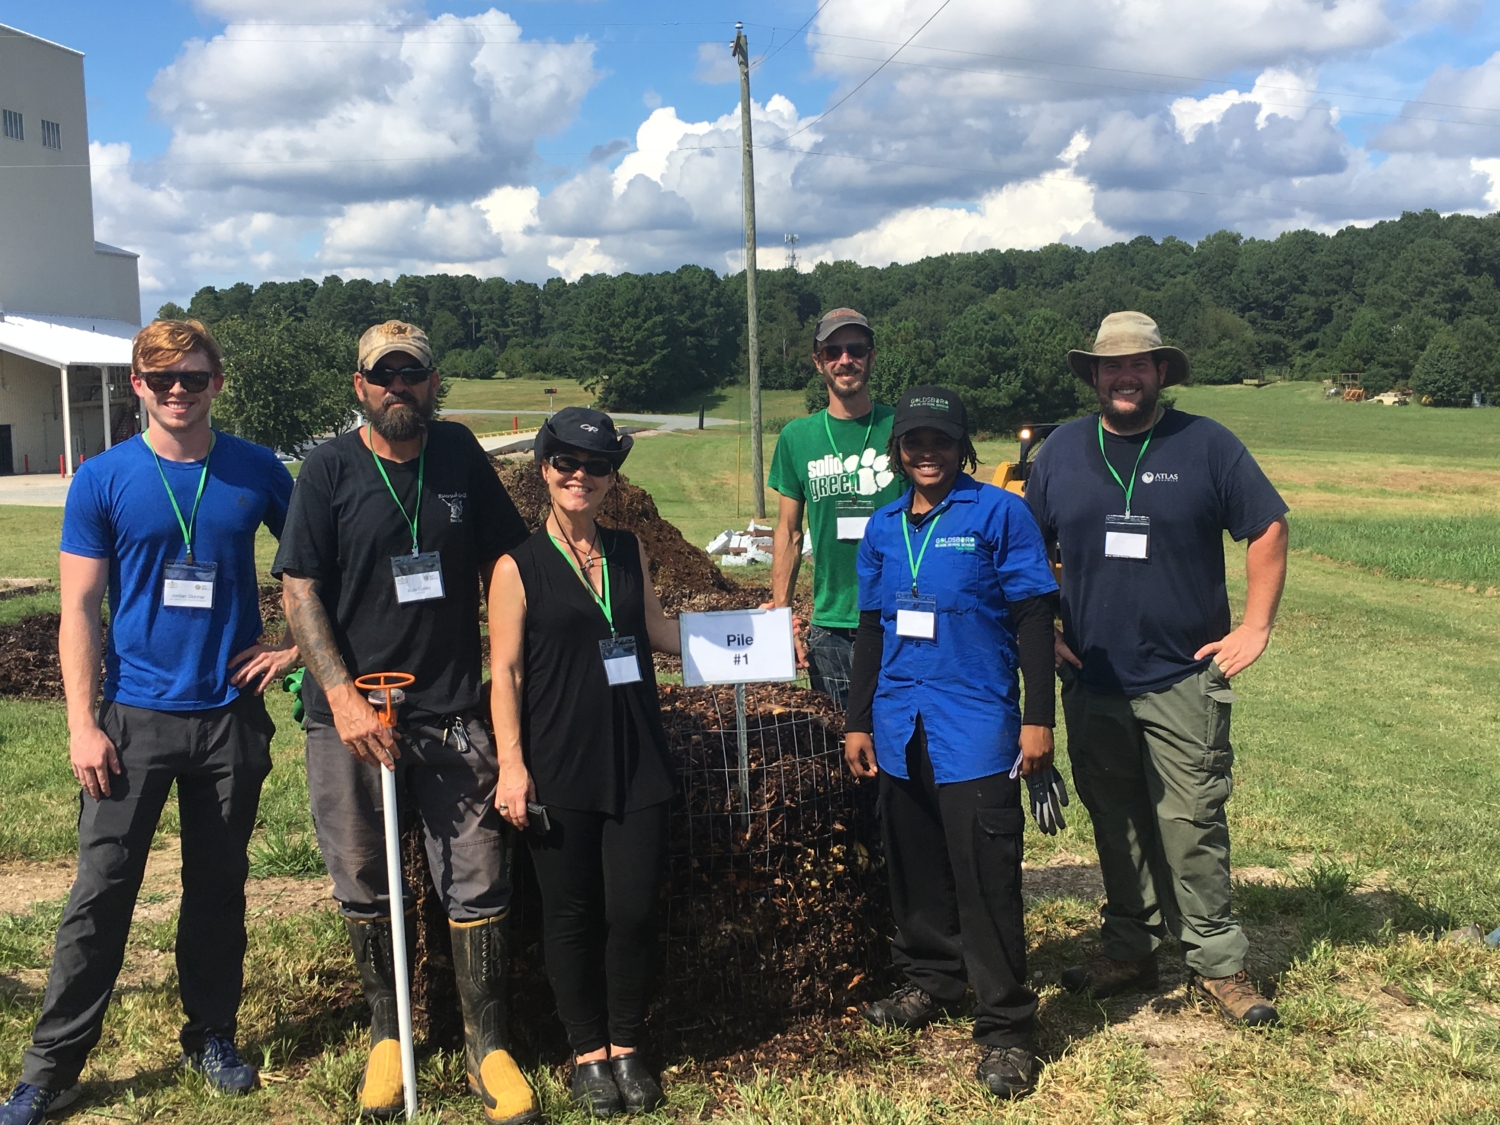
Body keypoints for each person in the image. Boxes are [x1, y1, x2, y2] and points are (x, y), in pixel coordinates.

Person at [0, 320, 298, 1125]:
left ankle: (211, 1035)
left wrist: (294, 648)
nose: (177, 391)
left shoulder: (256, 469)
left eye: (193, 377)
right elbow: (78, 609)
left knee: (218, 887)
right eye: (161, 378)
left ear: (216, 383)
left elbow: (322, 561)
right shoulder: (103, 478)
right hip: (132, 719)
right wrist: (81, 723)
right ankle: (51, 1069)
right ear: (136, 383)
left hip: (229, 718)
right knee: (99, 894)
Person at [274, 321, 536, 1122]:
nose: (398, 387)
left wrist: (511, 651)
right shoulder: (327, 468)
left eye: (411, 374)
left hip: (450, 710)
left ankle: (488, 1046)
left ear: (432, 383)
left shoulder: (458, 453)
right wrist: (343, 698)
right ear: (359, 386)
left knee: (477, 874)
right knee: (361, 874)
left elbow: (504, 559)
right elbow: (299, 588)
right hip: (351, 720)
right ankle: (388, 1037)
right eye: (382, 375)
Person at [1026, 311, 1289, 1026]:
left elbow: (1267, 525)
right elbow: (1025, 548)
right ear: (1094, 375)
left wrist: (1256, 626)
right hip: (1094, 678)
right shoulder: (1061, 450)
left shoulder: (1207, 444)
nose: (1124, 376)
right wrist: (1044, 630)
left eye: (1138, 364)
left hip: (1182, 675)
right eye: (1111, 365)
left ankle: (1219, 963)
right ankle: (1130, 947)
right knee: (1115, 819)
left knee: (1191, 820)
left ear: (1161, 371)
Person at [845, 386, 1060, 1101]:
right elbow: (870, 628)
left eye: (941, 440)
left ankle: (1007, 1026)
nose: (927, 453)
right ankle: (932, 980)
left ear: (962, 446)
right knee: (915, 865)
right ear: (898, 450)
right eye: (914, 441)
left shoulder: (999, 513)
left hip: (975, 722)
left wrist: (1039, 717)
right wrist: (857, 719)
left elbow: (1034, 617)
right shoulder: (882, 527)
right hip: (899, 722)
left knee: (985, 874)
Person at [488, 408, 680, 1119]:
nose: (581, 475)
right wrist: (512, 766)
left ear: (610, 478)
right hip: (560, 762)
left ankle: (627, 1044)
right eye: (566, 462)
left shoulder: (628, 550)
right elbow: (505, 673)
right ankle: (587, 1053)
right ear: (543, 469)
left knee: (632, 911)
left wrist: (756, 636)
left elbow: (658, 629)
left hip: (636, 759)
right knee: (571, 915)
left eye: (597, 465)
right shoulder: (517, 566)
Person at [765, 308, 903, 706]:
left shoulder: (901, 428)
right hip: (831, 628)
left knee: (906, 737)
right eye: (833, 351)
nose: (845, 360)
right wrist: (781, 618)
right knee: (838, 739)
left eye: (855, 349)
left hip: (899, 619)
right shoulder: (797, 437)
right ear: (818, 361)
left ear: (871, 357)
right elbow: (789, 533)